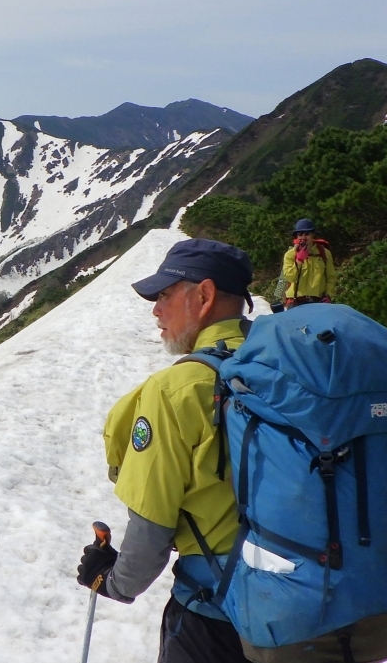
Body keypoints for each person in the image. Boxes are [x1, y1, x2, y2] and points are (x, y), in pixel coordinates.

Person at [76, 238, 254, 663]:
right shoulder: (291, 365)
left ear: (204, 296)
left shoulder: (176, 389)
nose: (156, 310)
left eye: (164, 296)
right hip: (325, 611)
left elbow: (151, 524)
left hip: (218, 619)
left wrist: (113, 581)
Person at [273, 218, 336, 309]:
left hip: (319, 301)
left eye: (307, 233)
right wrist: (299, 260)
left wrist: (329, 295)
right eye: (300, 234)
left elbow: (331, 277)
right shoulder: (290, 255)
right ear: (296, 236)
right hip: (296, 302)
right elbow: (290, 277)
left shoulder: (324, 253)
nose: (303, 237)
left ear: (313, 234)